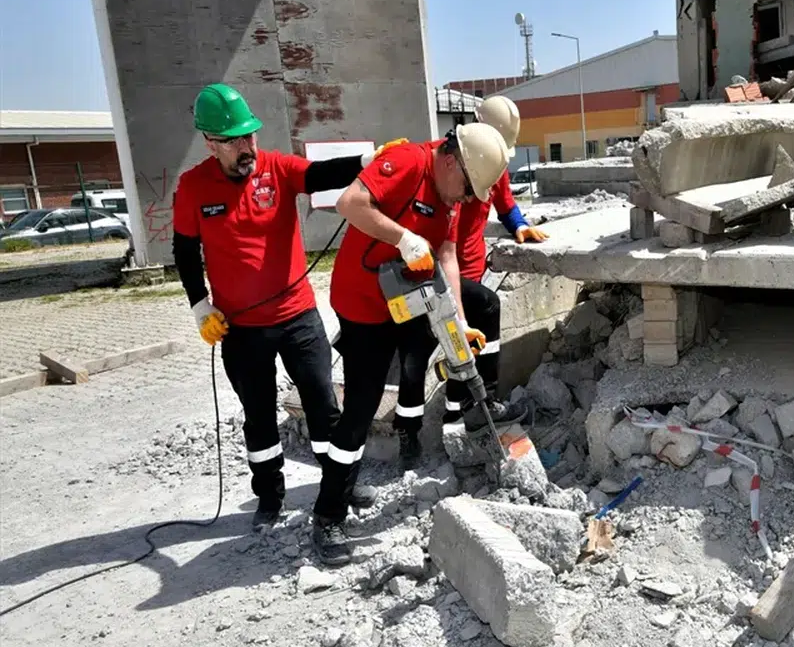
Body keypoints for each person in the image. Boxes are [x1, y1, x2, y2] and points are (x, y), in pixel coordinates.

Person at [172, 83, 391, 528]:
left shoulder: (275, 169)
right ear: (210, 143)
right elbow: (183, 250)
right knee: (258, 416)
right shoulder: (193, 187)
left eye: (249, 136)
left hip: (298, 317)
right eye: (232, 141)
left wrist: (368, 162)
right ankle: (269, 498)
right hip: (241, 328)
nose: (245, 147)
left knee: (324, 405)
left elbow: (318, 174)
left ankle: (341, 488)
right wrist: (200, 306)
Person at [312, 122, 520, 564]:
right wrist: (403, 237)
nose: (466, 199)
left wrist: (459, 324)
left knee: (446, 338)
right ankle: (328, 515)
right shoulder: (408, 162)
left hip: (403, 296)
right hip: (362, 302)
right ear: (450, 161)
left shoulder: (451, 192)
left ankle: (467, 409)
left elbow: (446, 253)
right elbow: (350, 203)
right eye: (466, 188)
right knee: (362, 405)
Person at [391, 94, 547, 467]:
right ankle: (408, 434)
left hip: (469, 272)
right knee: (416, 354)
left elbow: (506, 203)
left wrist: (520, 226)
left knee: (467, 346)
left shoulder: (495, 164)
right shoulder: (443, 160)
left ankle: (458, 413)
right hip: (431, 274)